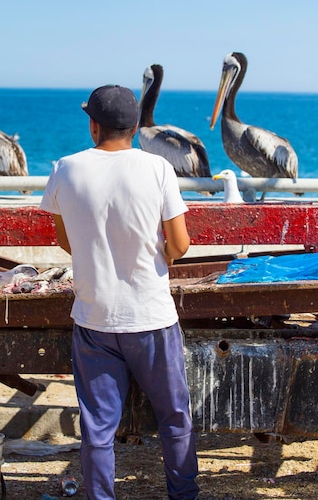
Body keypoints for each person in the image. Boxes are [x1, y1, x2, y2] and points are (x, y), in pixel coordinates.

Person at [40, 84, 199, 500]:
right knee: (174, 419)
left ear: (94, 125)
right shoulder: (158, 168)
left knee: (98, 428)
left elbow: (66, 240)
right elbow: (180, 244)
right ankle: (183, 495)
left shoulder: (65, 168)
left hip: (94, 318)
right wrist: (156, 254)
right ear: (133, 128)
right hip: (150, 318)